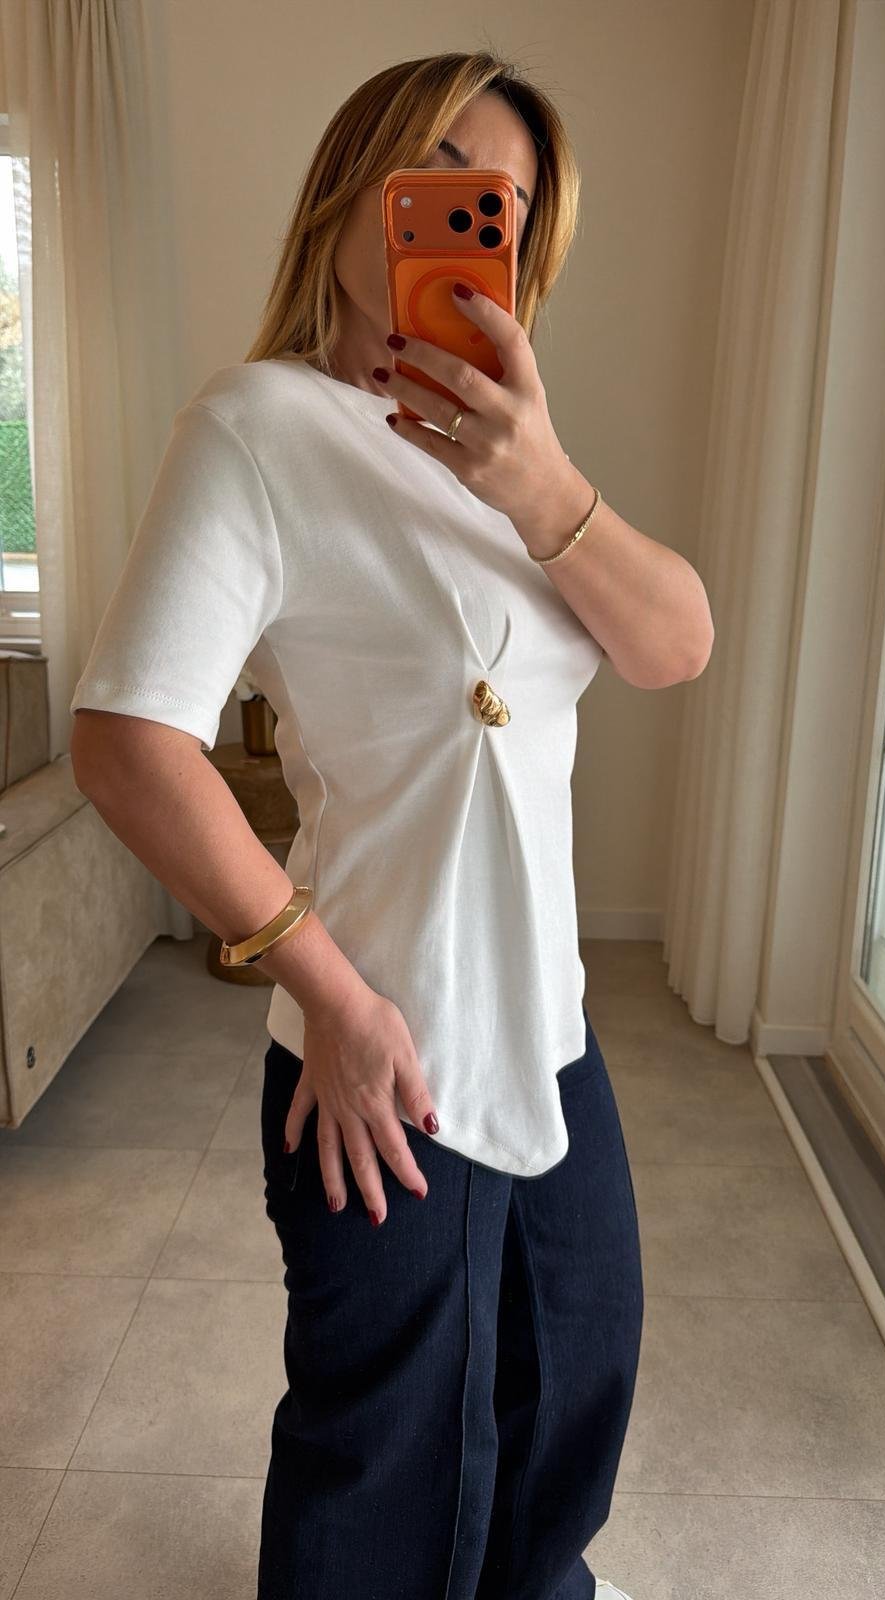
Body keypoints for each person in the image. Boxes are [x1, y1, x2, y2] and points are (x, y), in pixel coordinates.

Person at [70, 49, 653, 1600]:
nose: (471, 222)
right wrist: (323, 994)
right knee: (390, 1460)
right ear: (354, 183)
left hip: (549, 1033)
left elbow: (678, 640)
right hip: (385, 1045)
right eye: (439, 179)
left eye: (505, 210)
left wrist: (544, 482)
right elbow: (126, 741)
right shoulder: (258, 425)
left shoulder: (511, 457)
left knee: (568, 1387)